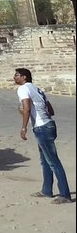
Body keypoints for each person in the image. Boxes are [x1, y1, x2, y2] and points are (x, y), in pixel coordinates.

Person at [14, 68, 72, 204]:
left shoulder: (23, 89)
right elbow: (50, 111)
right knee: (45, 160)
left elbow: (27, 108)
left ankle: (65, 194)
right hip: (49, 124)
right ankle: (47, 190)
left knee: (53, 161)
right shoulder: (38, 89)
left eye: (16, 75)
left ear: (24, 77)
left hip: (42, 127)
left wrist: (23, 127)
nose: (14, 78)